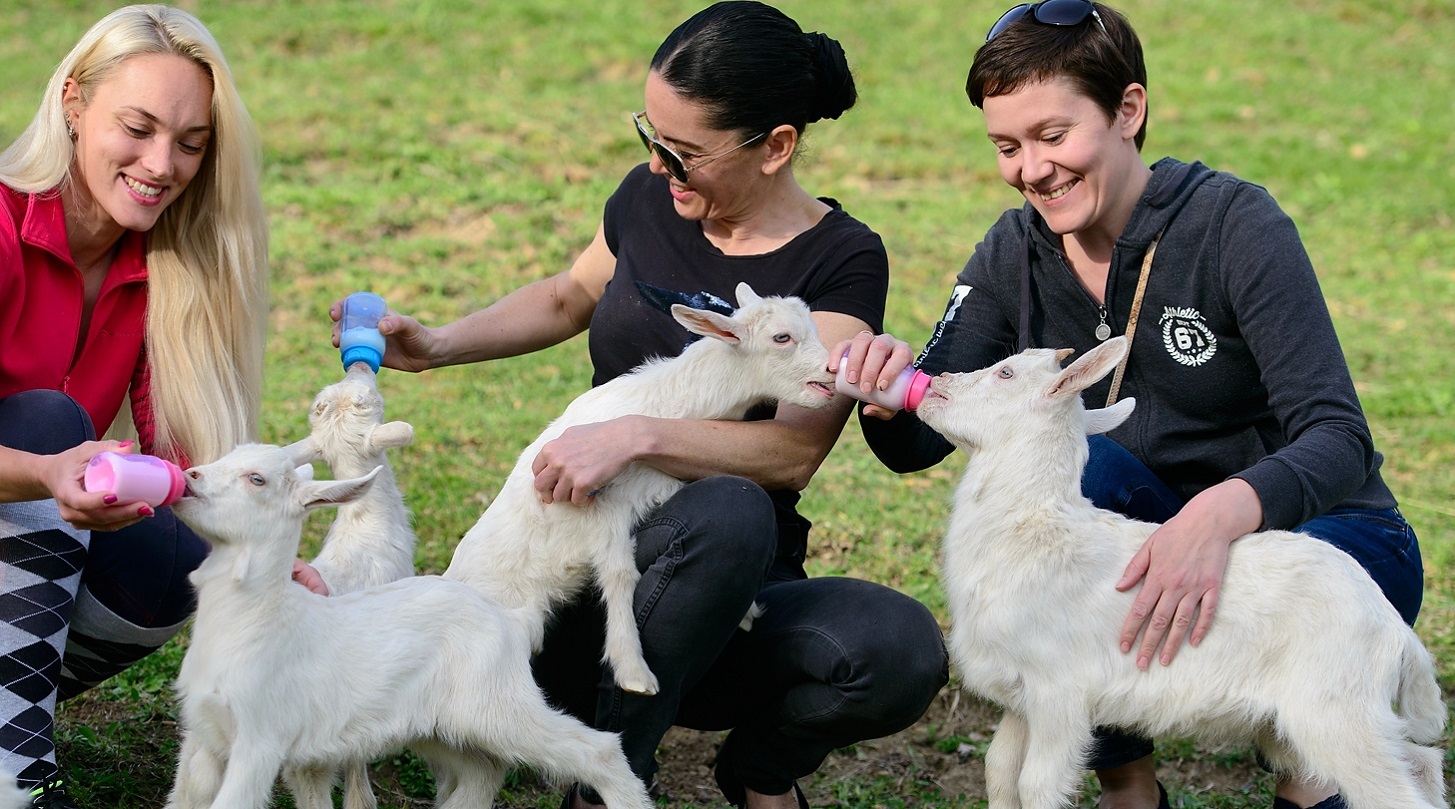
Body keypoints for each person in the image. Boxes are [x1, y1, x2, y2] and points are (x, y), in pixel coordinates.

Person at [335, 3, 948, 807]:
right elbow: (567, 296)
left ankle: (754, 770)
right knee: (726, 510)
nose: (660, 165)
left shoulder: (841, 259)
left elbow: (792, 450)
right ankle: (608, 779)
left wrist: (633, 434)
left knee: (893, 645)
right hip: (572, 594)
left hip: (727, 597)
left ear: (775, 146)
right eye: (650, 136)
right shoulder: (650, 197)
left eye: (684, 152)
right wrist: (436, 344)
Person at [833, 3, 1423, 809]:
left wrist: (1217, 516)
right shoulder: (1013, 252)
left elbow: (1338, 436)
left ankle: (1321, 770)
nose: (1031, 168)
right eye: (1005, 146)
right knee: (1086, 474)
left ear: (1127, 110)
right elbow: (916, 442)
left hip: (1317, 545)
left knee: (1320, 757)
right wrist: (886, 393)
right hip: (1141, 549)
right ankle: (1126, 782)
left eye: (1052, 135)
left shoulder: (1233, 225)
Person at [0, 6, 269, 806]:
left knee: (176, 555)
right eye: (138, 127)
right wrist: (46, 470)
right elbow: (49, 455)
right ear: (73, 103)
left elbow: (193, 465)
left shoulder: (167, 266)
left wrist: (269, 558)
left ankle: (9, 719)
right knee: (50, 423)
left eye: (191, 142)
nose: (162, 164)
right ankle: (18, 773)